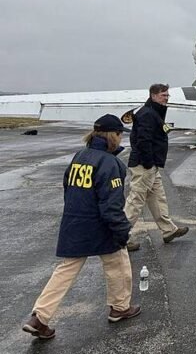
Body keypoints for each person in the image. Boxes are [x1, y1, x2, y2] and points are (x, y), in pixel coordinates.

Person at [22, 115, 140, 340]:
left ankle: (39, 317)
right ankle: (119, 307)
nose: (121, 137)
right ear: (112, 136)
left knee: (65, 271)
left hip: (75, 222)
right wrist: (122, 230)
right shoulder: (110, 163)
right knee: (118, 263)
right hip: (100, 225)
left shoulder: (79, 156)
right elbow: (112, 205)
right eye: (119, 133)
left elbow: (68, 188)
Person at [124, 84, 188, 251]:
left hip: (151, 165)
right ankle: (120, 236)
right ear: (153, 95)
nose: (166, 98)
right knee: (136, 200)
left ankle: (168, 231)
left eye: (167, 95)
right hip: (145, 165)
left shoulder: (154, 112)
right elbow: (142, 140)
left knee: (158, 198)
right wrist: (148, 162)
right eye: (162, 95)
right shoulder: (147, 114)